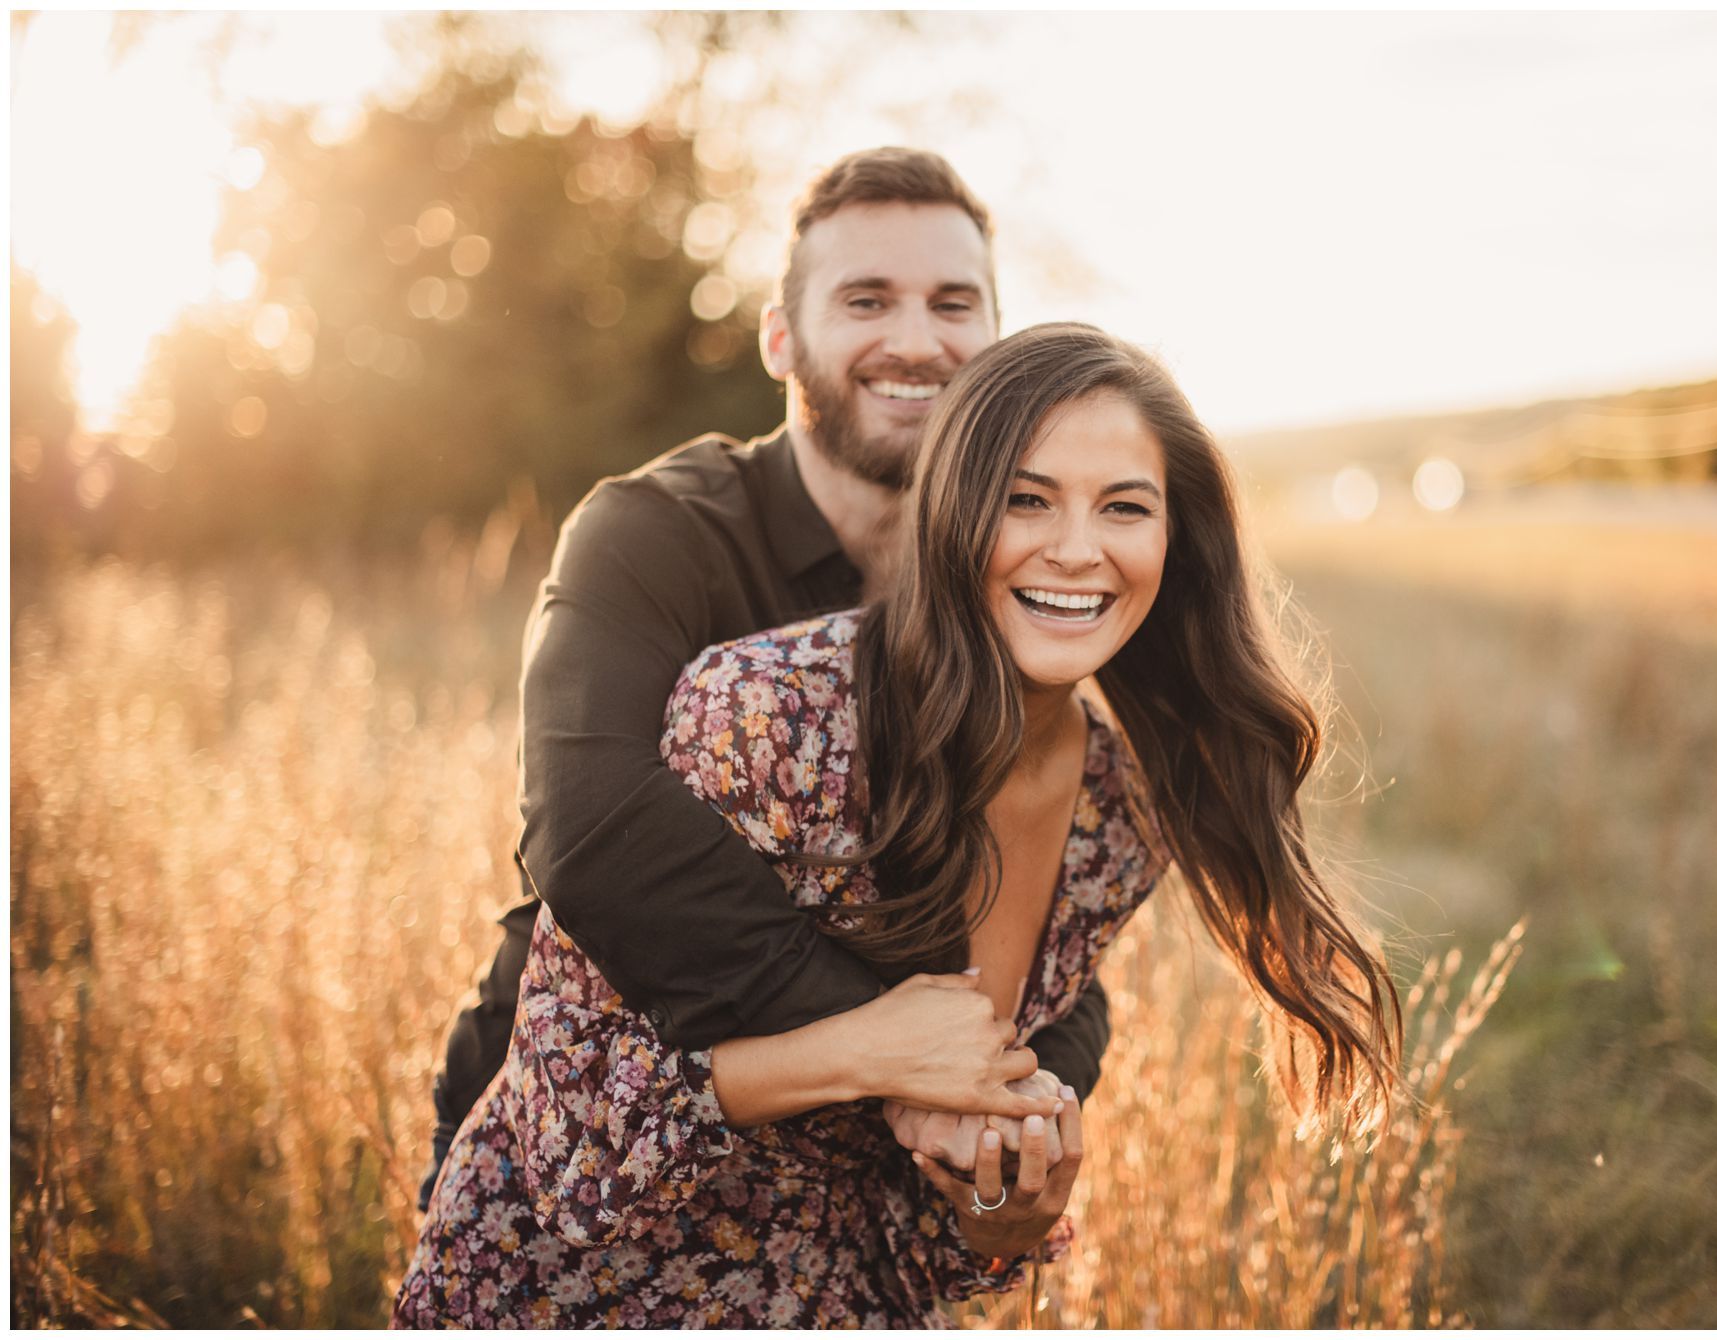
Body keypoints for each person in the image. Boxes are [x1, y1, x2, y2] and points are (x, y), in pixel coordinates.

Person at [392, 322, 1403, 1327]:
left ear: (1174, 541)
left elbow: (925, 1207)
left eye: (1124, 507)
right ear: (952, 512)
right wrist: (867, 1053)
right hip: (573, 1298)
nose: (1077, 548)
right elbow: (569, 1125)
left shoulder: (1122, 809)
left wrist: (1001, 1210)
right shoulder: (764, 711)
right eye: (1025, 498)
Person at [417, 148, 1112, 1211]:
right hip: (583, 1135)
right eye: (866, 299)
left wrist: (1023, 1086)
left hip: (851, 1195)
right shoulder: (650, 531)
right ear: (780, 336)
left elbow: (1063, 908)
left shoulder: (1026, 576)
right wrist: (885, 1050)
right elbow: (590, 823)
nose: (917, 340)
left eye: (952, 303)